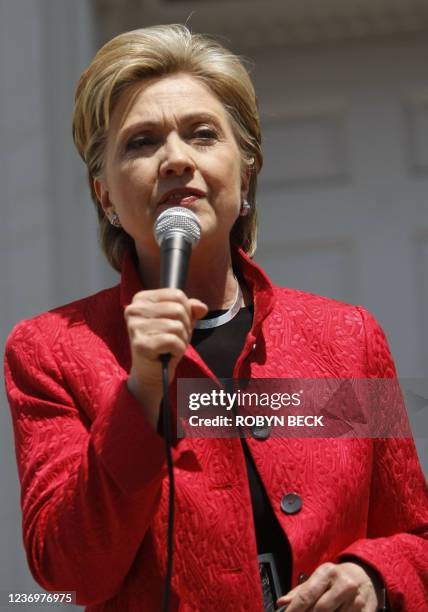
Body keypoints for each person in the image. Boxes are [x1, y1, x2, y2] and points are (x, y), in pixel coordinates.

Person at [4, 24, 428, 612]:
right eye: (141, 142)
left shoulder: (347, 338)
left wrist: (374, 576)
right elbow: (67, 576)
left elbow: (416, 536)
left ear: (246, 171)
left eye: (202, 135)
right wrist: (141, 395)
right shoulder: (50, 351)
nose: (176, 159)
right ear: (104, 195)